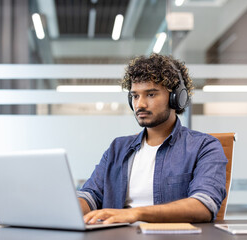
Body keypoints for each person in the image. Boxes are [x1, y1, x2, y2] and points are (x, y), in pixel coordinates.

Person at [77, 53, 227, 224]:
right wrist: (65, 208)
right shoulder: (117, 148)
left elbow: (203, 205)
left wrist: (136, 214)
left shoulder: (204, 147)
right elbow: (90, 195)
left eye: (151, 94)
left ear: (176, 98)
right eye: (135, 96)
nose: (140, 104)